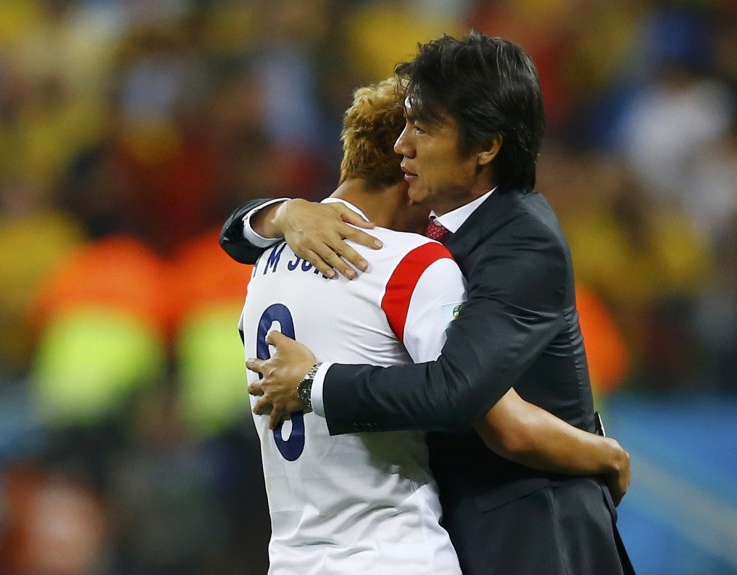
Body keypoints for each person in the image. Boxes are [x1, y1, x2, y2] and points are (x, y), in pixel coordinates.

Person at [225, 33, 634, 574]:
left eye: (424, 127)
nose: (404, 145)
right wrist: (283, 212)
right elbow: (236, 234)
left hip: (536, 530)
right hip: (430, 537)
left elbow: (460, 392)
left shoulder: (520, 241)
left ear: (486, 146)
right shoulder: (406, 253)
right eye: (405, 126)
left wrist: (313, 382)